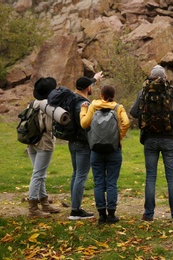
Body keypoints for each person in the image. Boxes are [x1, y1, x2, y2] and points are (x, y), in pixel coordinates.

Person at [130, 65, 173, 223]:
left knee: (150, 177)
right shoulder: (172, 91)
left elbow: (133, 112)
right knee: (171, 177)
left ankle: (148, 215)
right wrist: (171, 112)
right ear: (164, 77)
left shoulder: (143, 91)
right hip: (169, 138)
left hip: (149, 138)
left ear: (150, 77)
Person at [80, 85, 130, 224]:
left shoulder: (93, 106)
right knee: (112, 182)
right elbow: (126, 123)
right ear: (113, 95)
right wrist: (117, 138)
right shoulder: (118, 107)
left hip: (96, 150)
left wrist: (83, 110)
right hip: (114, 150)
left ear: (101, 95)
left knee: (98, 182)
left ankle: (101, 214)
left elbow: (84, 124)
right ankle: (112, 214)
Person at [68, 72, 103, 220]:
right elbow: (90, 125)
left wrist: (95, 78)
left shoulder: (71, 98)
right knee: (81, 175)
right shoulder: (84, 104)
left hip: (72, 142)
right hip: (83, 143)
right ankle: (75, 211)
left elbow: (87, 83)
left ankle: (74, 206)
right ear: (88, 88)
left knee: (76, 174)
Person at [27, 77, 60, 218]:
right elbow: (48, 127)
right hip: (44, 143)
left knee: (39, 174)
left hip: (31, 142)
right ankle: (33, 208)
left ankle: (44, 203)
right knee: (38, 175)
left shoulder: (32, 103)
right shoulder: (48, 105)